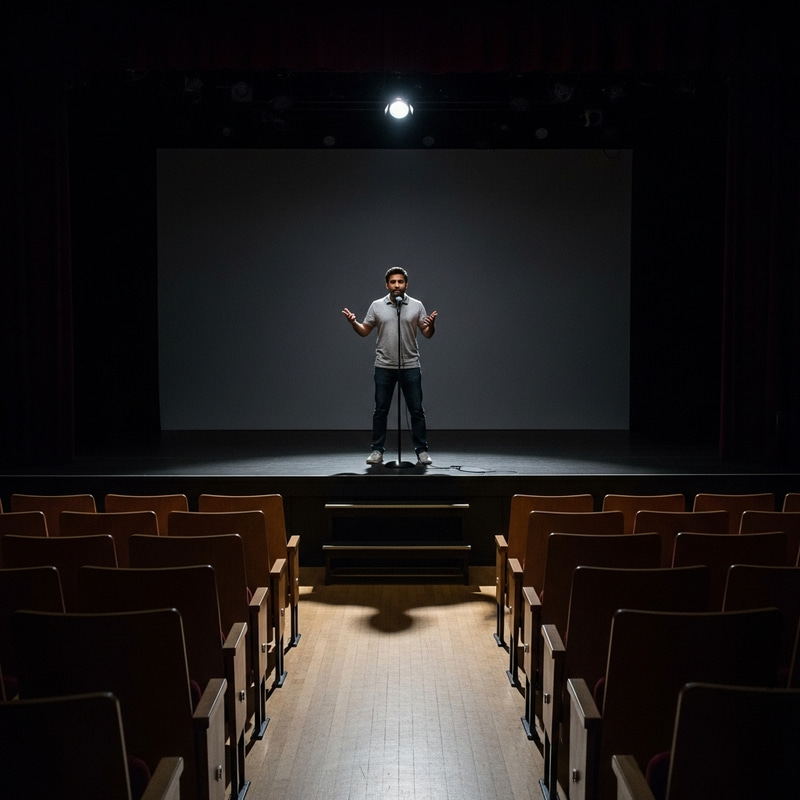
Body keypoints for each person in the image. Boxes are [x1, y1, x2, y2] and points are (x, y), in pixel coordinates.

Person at [343, 267, 438, 465]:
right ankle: (377, 451)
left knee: (416, 410)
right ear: (387, 285)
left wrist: (431, 325)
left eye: (400, 282)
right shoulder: (377, 306)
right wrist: (354, 323)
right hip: (384, 366)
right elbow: (365, 331)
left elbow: (427, 333)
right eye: (393, 282)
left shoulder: (417, 305)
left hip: (410, 365)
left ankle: (422, 451)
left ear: (406, 284)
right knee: (380, 410)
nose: (397, 285)